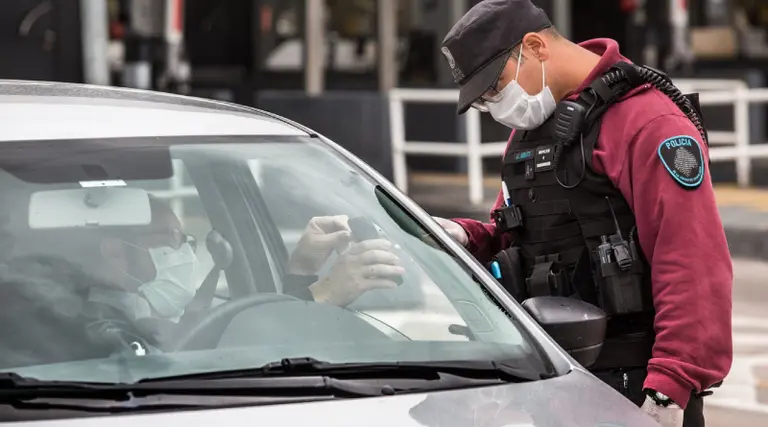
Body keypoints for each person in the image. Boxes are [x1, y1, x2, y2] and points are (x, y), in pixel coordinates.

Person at [434, 1, 732, 427]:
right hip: (553, 377)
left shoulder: (647, 121)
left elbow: (692, 260)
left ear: (535, 46)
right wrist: (464, 236)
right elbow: (516, 232)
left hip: (634, 382)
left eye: (495, 87)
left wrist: (671, 386)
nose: (494, 104)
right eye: (483, 101)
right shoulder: (534, 130)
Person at [88, 197, 404, 323]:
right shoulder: (101, 323)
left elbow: (194, 326)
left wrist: (301, 272)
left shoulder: (145, 309)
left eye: (184, 239)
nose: (183, 250)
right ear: (115, 251)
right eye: (166, 238)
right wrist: (321, 295)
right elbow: (214, 354)